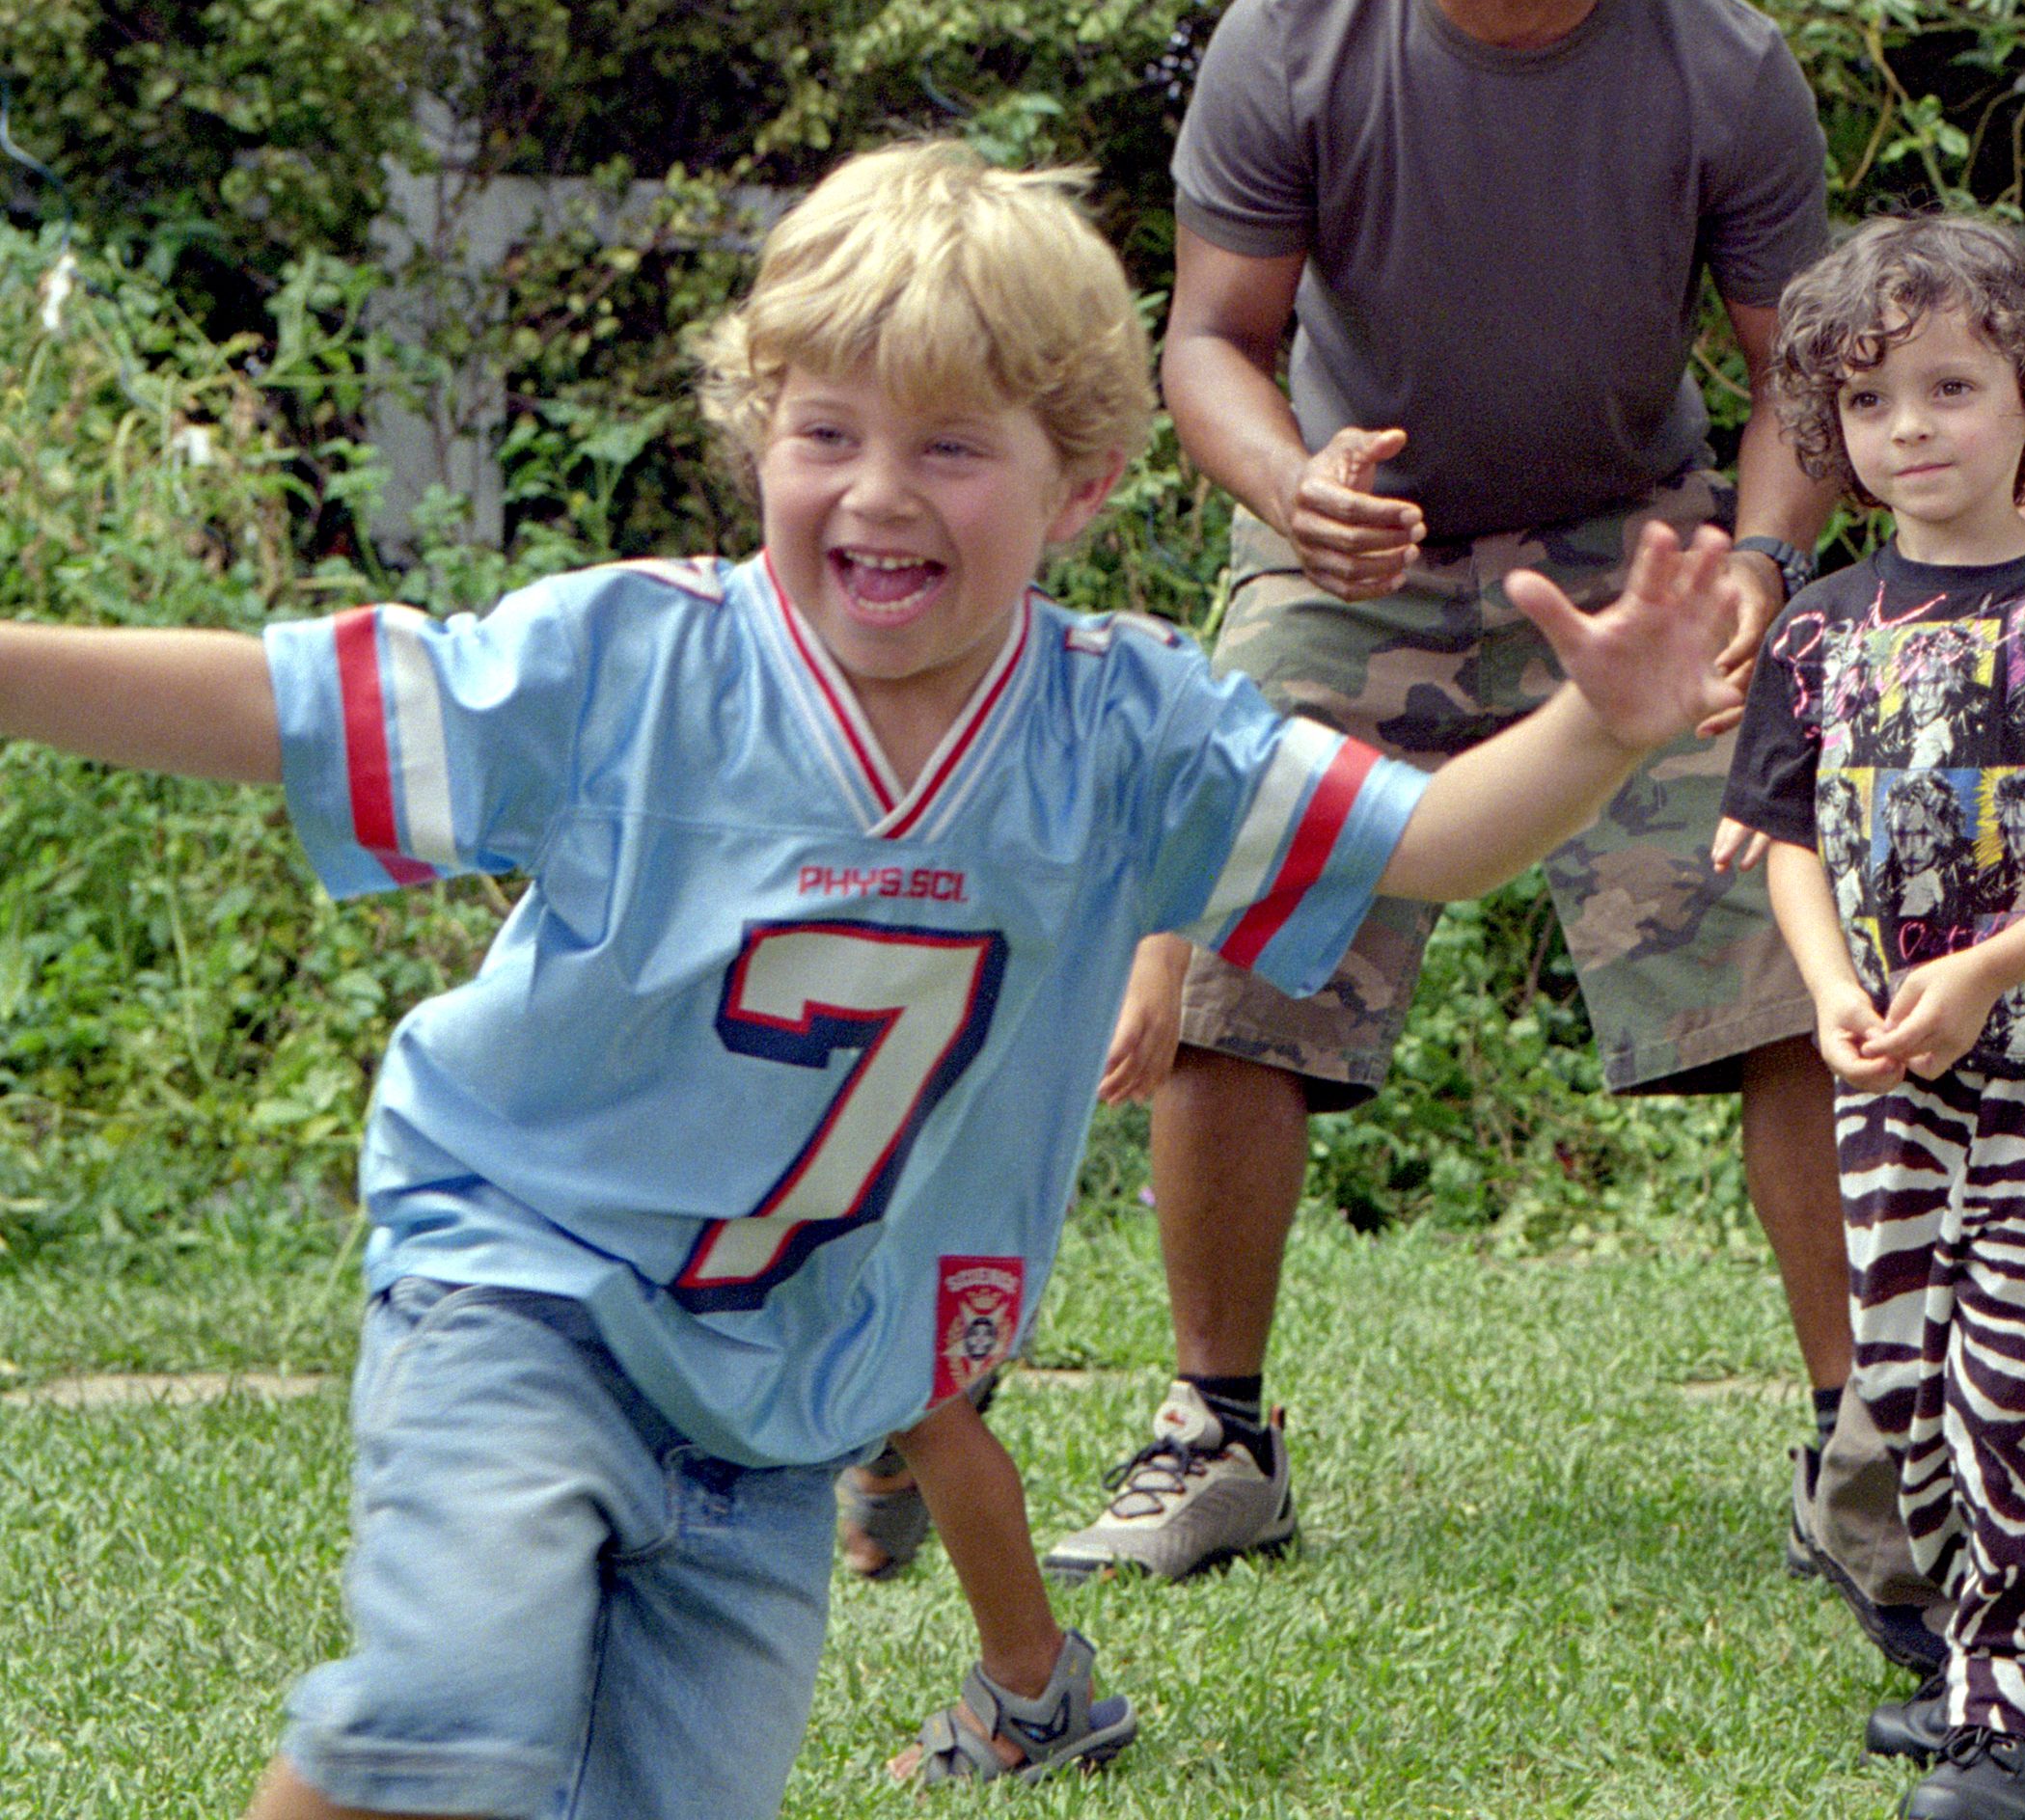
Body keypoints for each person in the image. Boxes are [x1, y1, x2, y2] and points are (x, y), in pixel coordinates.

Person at [0, 139, 1741, 1820]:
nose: (878, 490)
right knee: (451, 1701)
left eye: (949, 448)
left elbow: (1429, 840)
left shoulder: (1123, 730)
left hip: (792, 1393)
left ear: (1079, 484)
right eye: (823, 430)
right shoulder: (632, 661)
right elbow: (284, 705)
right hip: (533, 1289)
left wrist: (1598, 721)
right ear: (758, 435)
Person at [1041, 0, 1853, 1587]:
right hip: (1363, 543)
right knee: (1234, 928)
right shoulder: (1291, 38)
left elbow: (1801, 382)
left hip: (1634, 545)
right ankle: (1215, 1432)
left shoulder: (1721, 63)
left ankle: (1867, 1441)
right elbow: (1211, 345)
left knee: (1796, 951)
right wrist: (1282, 484)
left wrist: (1751, 564)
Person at [1719, 218, 2025, 1820]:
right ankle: (2003, 1662)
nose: (1911, 429)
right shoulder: (1820, 627)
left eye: (1949, 388)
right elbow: (1787, 833)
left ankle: (2024, 1712)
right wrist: (1830, 990)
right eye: (1870, 405)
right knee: (1913, 1376)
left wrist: (1990, 970)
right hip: (1885, 1079)